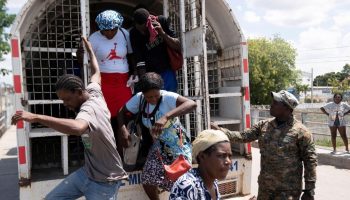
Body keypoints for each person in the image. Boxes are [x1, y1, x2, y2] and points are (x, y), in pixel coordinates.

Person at [11, 37, 127, 200]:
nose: (65, 104)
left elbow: (78, 128)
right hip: (87, 173)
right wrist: (90, 50)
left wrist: (36, 117)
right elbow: (96, 72)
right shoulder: (93, 91)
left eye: (67, 99)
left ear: (79, 92)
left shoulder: (89, 109)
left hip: (105, 181)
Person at [212, 90, 317, 200]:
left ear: (287, 108)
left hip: (287, 192)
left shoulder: (301, 132)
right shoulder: (264, 125)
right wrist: (220, 131)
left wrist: (309, 190)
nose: (271, 105)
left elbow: (310, 161)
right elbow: (243, 136)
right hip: (265, 188)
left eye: (276, 103)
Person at [118, 72, 196, 200]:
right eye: (149, 97)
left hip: (178, 145)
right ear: (143, 94)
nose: (153, 99)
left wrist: (166, 116)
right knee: (148, 179)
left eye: (156, 95)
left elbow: (191, 104)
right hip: (159, 146)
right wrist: (123, 130)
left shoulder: (167, 97)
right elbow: (121, 111)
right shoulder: (139, 98)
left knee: (183, 181)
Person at [87, 10, 136, 149]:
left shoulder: (124, 34)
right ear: (100, 28)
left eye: (113, 30)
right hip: (104, 82)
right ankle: (108, 148)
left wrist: (134, 73)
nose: (110, 33)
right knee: (106, 116)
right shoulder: (94, 38)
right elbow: (87, 60)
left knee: (125, 115)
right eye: (106, 30)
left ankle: (125, 150)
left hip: (123, 82)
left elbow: (131, 55)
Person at [169, 129, 232, 200]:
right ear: (202, 156)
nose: (228, 161)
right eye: (221, 156)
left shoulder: (213, 181)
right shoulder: (187, 186)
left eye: (229, 156)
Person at [130, 8, 181, 92]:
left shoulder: (161, 21)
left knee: (170, 98)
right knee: (152, 100)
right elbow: (139, 58)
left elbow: (178, 46)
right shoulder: (134, 33)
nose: (143, 32)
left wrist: (162, 33)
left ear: (148, 21)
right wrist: (145, 81)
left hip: (166, 70)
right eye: (140, 29)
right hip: (150, 74)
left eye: (144, 29)